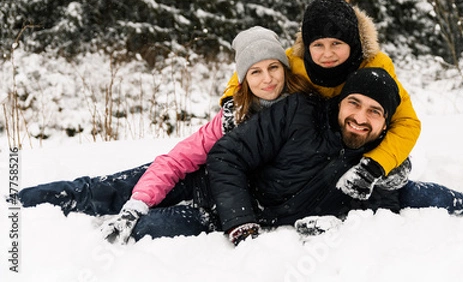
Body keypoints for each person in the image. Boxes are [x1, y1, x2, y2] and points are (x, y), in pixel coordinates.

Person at [16, 26, 315, 243]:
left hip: (218, 208)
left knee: (147, 228)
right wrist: (138, 202)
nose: (267, 79)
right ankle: (22, 200)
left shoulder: (301, 113)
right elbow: (178, 159)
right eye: (256, 71)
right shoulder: (232, 116)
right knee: (103, 190)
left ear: (285, 69)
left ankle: (98, 233)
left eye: (273, 67)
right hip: (192, 180)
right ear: (244, 78)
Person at [206, 68, 463, 246]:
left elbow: (411, 195)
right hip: (207, 196)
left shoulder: (369, 170)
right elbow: (227, 156)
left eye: (374, 111)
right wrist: (241, 221)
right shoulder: (298, 113)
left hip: (215, 221)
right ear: (340, 102)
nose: (359, 117)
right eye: (354, 103)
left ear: (386, 124)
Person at [221, 0, 421, 200]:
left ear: (352, 42)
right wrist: (232, 101)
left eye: (336, 44)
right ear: (308, 45)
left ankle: (383, 186)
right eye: (318, 45)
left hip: (356, 141)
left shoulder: (374, 65)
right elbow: (252, 67)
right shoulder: (296, 62)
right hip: (310, 147)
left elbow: (406, 121)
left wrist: (377, 163)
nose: (327, 54)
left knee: (396, 173)